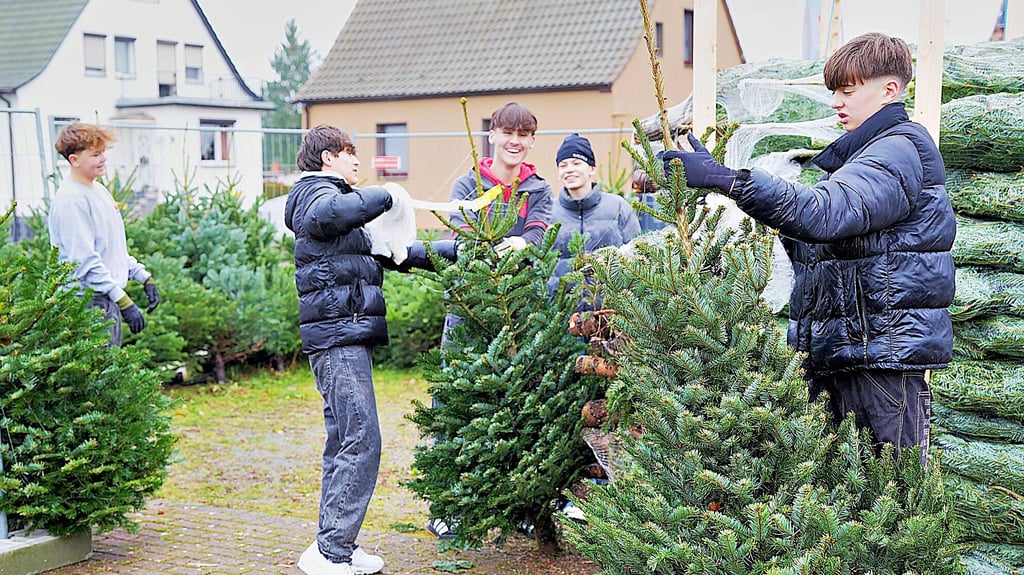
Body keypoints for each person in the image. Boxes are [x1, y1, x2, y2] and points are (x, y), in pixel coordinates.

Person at [661, 32, 955, 463]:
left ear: (889, 90)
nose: (836, 102)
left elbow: (824, 213)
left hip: (879, 362)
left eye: (848, 91)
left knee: (890, 492)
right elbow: (825, 245)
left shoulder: (896, 152)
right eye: (834, 91)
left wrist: (728, 180)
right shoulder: (862, 156)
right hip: (849, 353)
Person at [285, 125, 454, 575]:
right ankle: (331, 550)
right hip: (336, 337)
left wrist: (461, 251)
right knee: (362, 437)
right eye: (349, 153)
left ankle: (335, 542)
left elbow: (398, 254)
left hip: (345, 335)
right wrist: (388, 194)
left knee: (344, 439)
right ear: (327, 158)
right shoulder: (314, 196)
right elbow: (333, 213)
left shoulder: (342, 214)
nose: (357, 161)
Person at [427, 102, 554, 539]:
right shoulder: (470, 184)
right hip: (469, 309)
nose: (514, 141)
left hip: (518, 310)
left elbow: (538, 233)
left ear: (532, 141)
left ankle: (518, 506)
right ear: (492, 136)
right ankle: (446, 505)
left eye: (523, 135)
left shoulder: (537, 189)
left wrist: (523, 243)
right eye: (507, 133)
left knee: (518, 404)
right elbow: (462, 233)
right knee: (453, 401)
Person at [48, 122, 159, 346]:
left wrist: (142, 276)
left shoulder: (98, 190)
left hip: (105, 300)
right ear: (74, 160)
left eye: (103, 152)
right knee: (96, 367)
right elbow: (84, 262)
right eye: (95, 154)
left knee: (109, 365)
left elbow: (111, 248)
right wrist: (124, 301)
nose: (103, 159)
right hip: (86, 303)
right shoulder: (72, 200)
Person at [547, 133, 640, 305]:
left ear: (592, 169)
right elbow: (538, 264)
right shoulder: (548, 212)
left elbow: (637, 254)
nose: (569, 169)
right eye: (563, 165)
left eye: (576, 163)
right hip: (560, 312)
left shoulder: (618, 207)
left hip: (612, 311)